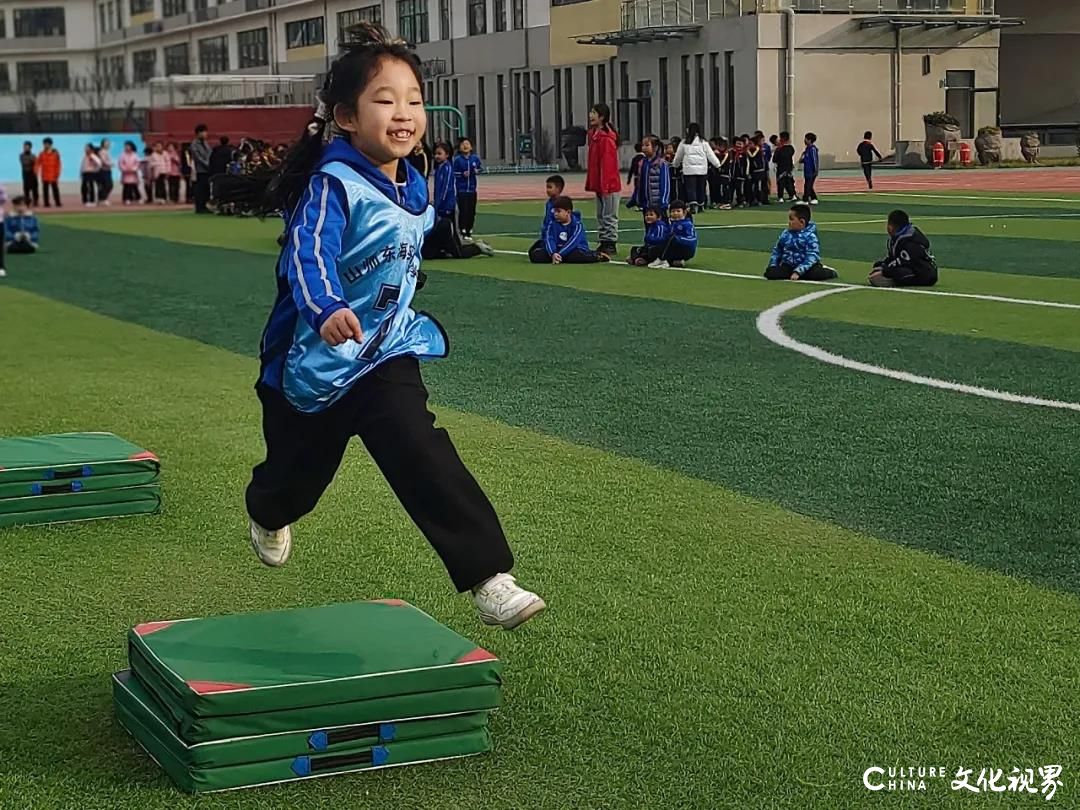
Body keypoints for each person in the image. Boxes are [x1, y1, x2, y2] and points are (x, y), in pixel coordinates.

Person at [248, 23, 545, 630]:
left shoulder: (415, 182)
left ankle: (490, 577)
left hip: (385, 351)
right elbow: (306, 255)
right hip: (315, 364)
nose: (404, 112)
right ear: (346, 117)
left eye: (413, 99)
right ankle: (268, 508)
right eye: (385, 100)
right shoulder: (332, 184)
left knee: (420, 447)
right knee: (294, 479)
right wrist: (328, 308)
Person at [423, 141, 494, 260]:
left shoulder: (447, 168)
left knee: (457, 249)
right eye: (435, 154)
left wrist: (438, 205)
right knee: (435, 248)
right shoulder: (440, 168)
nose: (436, 156)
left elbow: (445, 190)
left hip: (448, 209)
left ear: (447, 155)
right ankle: (444, 249)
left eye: (439, 153)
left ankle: (478, 247)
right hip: (441, 209)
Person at [764, 202, 838, 281]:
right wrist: (773, 265)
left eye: (791, 219)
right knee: (770, 273)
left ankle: (829, 272)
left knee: (815, 274)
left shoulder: (810, 236)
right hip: (789, 265)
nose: (789, 222)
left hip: (807, 267)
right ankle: (794, 273)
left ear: (802, 222)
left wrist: (799, 271)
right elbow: (777, 251)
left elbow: (812, 255)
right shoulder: (785, 234)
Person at [585, 102, 621, 255]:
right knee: (601, 214)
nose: (590, 115)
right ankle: (604, 240)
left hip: (609, 183)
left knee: (609, 214)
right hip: (600, 183)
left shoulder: (606, 138)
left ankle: (610, 242)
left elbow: (608, 164)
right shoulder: (594, 136)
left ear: (602, 117)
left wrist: (605, 185)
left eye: (594, 113)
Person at [528, 196, 609, 264]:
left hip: (573, 249)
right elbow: (549, 239)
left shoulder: (577, 225)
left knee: (576, 256)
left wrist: (560, 253)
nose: (555, 214)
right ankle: (557, 258)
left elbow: (573, 242)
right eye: (554, 211)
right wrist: (553, 253)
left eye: (558, 211)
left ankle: (597, 256)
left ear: (568, 212)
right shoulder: (551, 224)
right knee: (536, 256)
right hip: (556, 249)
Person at [869, 209, 938, 287]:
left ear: (891, 227)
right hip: (911, 267)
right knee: (879, 265)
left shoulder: (911, 241)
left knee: (899, 272)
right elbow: (893, 258)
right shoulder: (898, 237)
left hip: (924, 274)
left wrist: (884, 270)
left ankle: (892, 282)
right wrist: (882, 266)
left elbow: (902, 261)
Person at [673, 122, 719, 215]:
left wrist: (675, 164)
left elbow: (678, 156)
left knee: (691, 188)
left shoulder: (684, 142)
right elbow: (710, 154)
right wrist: (717, 164)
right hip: (702, 170)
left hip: (689, 170)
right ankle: (701, 204)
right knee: (701, 187)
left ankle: (693, 205)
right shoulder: (703, 142)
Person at [628, 136, 670, 217]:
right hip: (646, 203)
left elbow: (665, 184)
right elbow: (639, 184)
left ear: (655, 147)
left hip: (658, 203)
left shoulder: (661, 164)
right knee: (648, 224)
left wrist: (664, 200)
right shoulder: (642, 163)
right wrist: (635, 198)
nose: (644, 148)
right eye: (643, 145)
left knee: (660, 226)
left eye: (647, 145)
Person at [452, 137, 481, 239]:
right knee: (463, 210)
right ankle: (462, 230)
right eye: (463, 144)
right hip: (462, 189)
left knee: (471, 211)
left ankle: (469, 229)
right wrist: (462, 174)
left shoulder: (475, 159)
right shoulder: (457, 160)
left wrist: (477, 171)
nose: (465, 146)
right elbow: (454, 173)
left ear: (471, 147)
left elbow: (479, 169)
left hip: (472, 189)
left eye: (467, 144)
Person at [190, 124, 212, 213]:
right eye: (204, 132)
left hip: (208, 169)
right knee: (200, 189)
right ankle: (199, 207)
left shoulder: (206, 143)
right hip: (200, 170)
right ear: (199, 133)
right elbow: (198, 158)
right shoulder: (194, 144)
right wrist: (207, 164)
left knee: (206, 189)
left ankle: (204, 205)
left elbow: (210, 154)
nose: (206, 134)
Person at [36, 138, 61, 208]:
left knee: (55, 189)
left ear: (50, 145)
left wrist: (57, 173)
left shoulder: (56, 154)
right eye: (44, 144)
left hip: (53, 174)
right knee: (45, 190)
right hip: (45, 175)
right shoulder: (42, 153)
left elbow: (58, 164)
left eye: (46, 144)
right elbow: (38, 163)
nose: (45, 145)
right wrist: (36, 171)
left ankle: (58, 202)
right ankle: (46, 203)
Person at [773, 131, 797, 203]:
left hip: (781, 168)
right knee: (789, 182)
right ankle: (792, 195)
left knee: (781, 183)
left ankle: (780, 197)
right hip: (789, 168)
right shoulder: (791, 148)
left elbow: (775, 159)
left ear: (782, 139)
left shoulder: (779, 149)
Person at [799, 132, 820, 205]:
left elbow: (814, 160)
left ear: (810, 140)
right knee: (808, 185)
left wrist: (815, 170)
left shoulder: (812, 149)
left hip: (811, 171)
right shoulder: (807, 149)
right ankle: (814, 198)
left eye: (806, 139)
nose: (804, 140)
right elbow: (804, 160)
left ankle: (805, 200)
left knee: (808, 185)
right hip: (807, 171)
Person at [19, 141, 38, 207]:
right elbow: (24, 163)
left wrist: (32, 161)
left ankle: (35, 201)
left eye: (27, 147)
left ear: (30, 148)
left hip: (32, 174)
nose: (25, 148)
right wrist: (31, 161)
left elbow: (35, 163)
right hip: (25, 173)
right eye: (25, 147)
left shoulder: (33, 155)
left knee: (34, 188)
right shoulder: (21, 155)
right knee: (26, 188)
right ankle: (27, 202)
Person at [97, 138, 114, 206]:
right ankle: (103, 199)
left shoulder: (106, 151)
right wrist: (110, 164)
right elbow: (103, 161)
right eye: (106, 143)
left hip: (107, 170)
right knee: (107, 185)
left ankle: (103, 199)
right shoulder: (102, 151)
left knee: (107, 185)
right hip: (103, 170)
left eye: (108, 143)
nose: (108, 144)